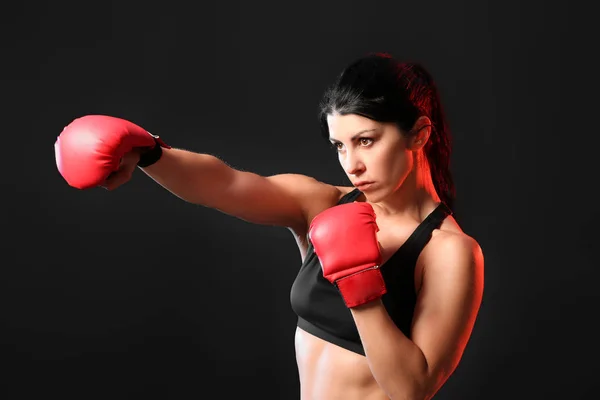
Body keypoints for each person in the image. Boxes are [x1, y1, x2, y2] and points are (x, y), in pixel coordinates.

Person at [54, 52, 484, 400]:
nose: (352, 164)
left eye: (366, 140)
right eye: (339, 145)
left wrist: (359, 282)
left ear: (419, 135)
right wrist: (149, 153)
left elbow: (412, 389)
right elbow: (225, 184)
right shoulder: (324, 205)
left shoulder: (448, 251)